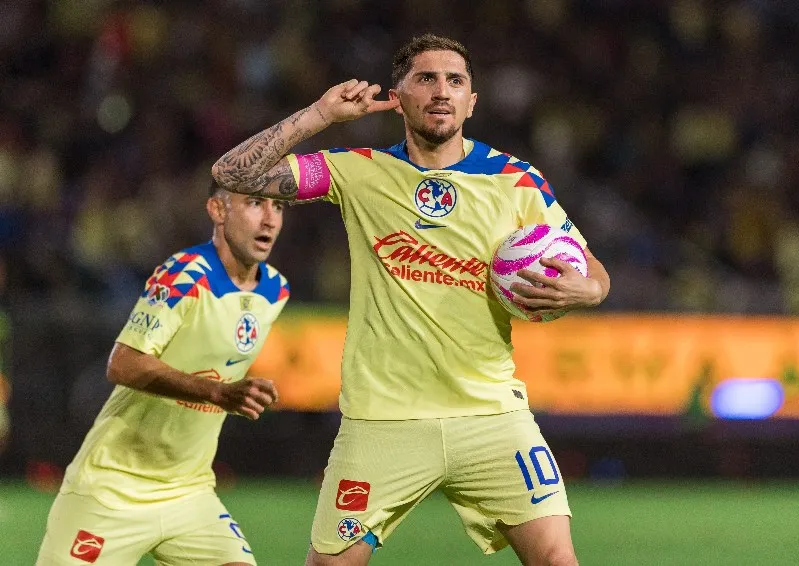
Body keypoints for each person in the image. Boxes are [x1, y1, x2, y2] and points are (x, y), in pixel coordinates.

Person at [213, 33, 610, 566]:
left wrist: (590, 288)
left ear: (473, 100)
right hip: (382, 421)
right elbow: (232, 175)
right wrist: (318, 116)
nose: (441, 91)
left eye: (456, 81)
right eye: (425, 79)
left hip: (490, 416)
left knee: (558, 560)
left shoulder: (516, 181)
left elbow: (593, 269)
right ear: (398, 97)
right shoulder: (358, 170)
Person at [37, 184, 290, 565]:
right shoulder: (185, 273)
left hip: (189, 493)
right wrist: (216, 393)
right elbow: (123, 363)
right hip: (111, 490)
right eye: (255, 203)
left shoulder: (275, 292)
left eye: (279, 206)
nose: (270, 218)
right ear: (217, 210)